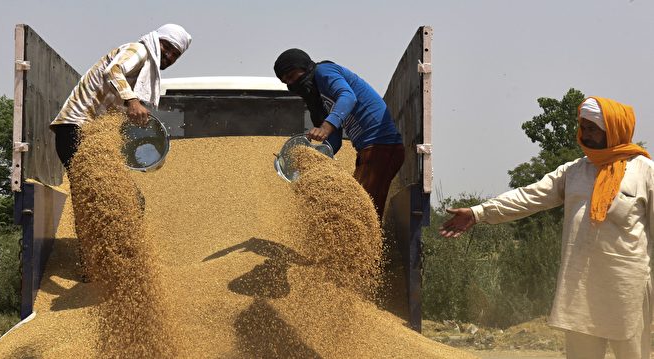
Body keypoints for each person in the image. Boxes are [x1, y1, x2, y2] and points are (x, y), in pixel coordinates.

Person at [440, 97, 653, 359]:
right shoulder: (574, 171)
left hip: (626, 289)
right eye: (582, 127)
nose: (584, 135)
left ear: (613, 129)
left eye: (592, 129)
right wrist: (478, 212)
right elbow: (529, 196)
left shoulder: (645, 172)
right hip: (580, 289)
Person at [274, 48, 404, 221]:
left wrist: (326, 127)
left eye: (292, 76)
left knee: (360, 213)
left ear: (304, 67)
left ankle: (365, 248)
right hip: (368, 153)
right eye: (286, 82)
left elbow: (348, 97)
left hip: (382, 146)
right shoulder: (316, 98)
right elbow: (333, 142)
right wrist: (311, 159)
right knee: (357, 209)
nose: (291, 83)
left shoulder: (324, 71)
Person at [50, 23, 191, 170]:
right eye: (166, 47)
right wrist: (133, 101)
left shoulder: (143, 70)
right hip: (76, 128)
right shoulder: (139, 50)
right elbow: (113, 71)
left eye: (175, 54)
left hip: (92, 135)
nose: (169, 56)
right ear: (155, 41)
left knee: (102, 187)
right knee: (93, 186)